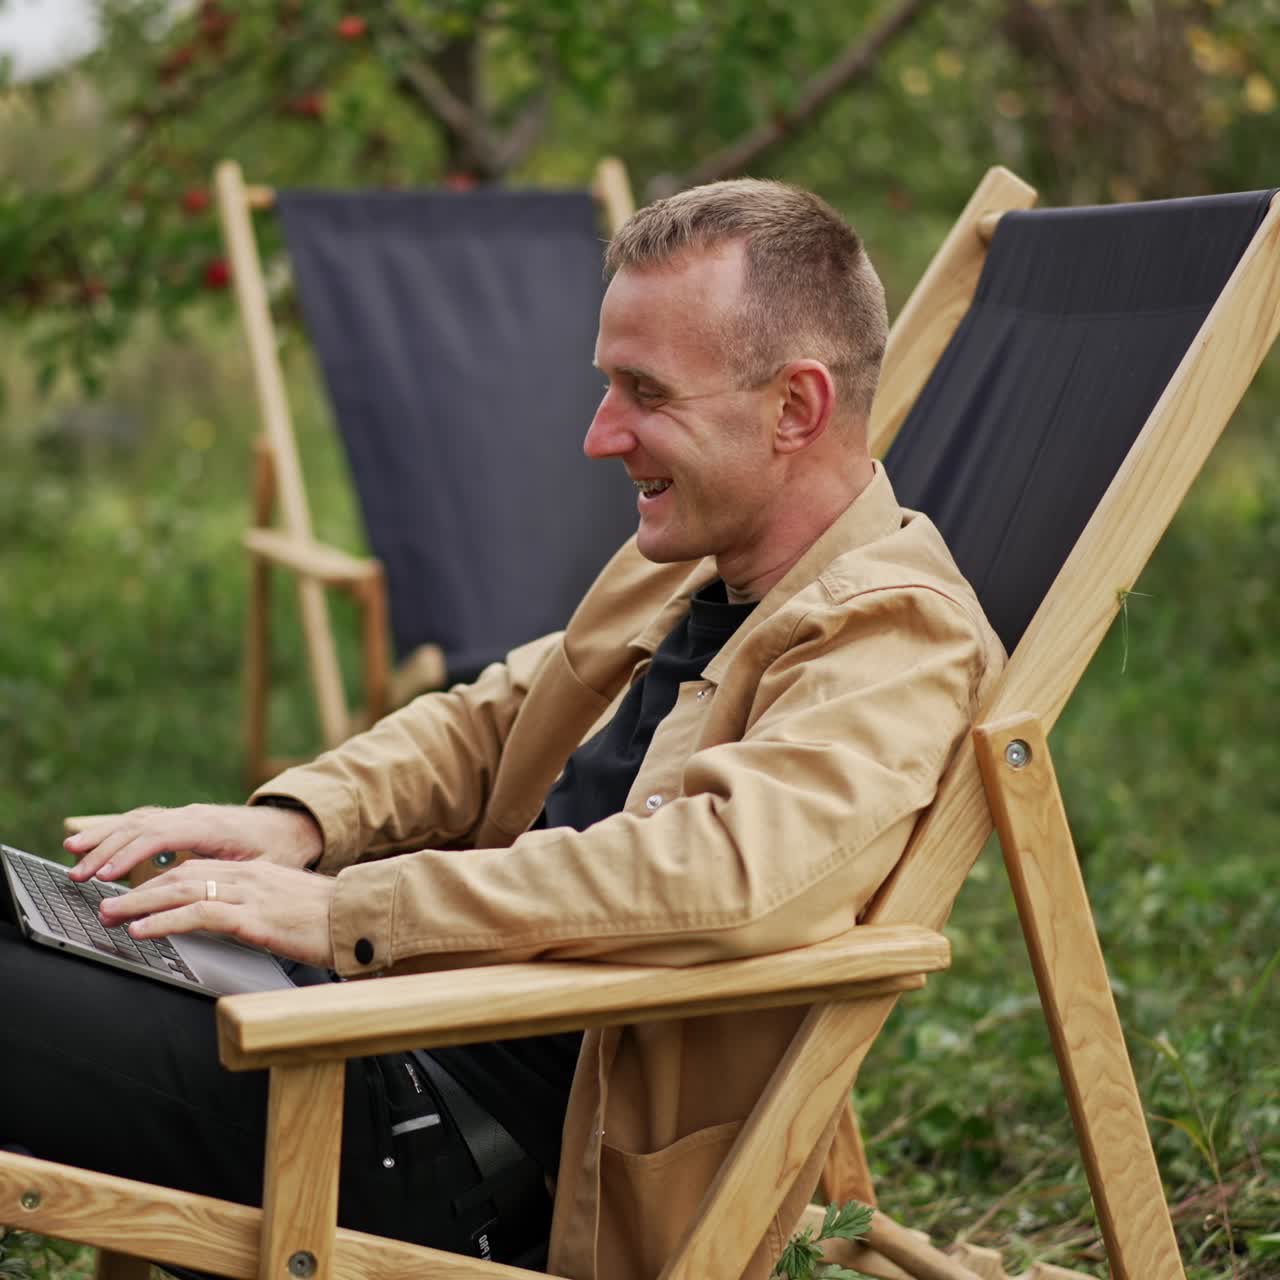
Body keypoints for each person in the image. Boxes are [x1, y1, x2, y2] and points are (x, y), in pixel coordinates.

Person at [0, 179, 1004, 1280]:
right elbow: (487, 719)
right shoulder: (690, 562)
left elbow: (727, 868)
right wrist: (299, 820)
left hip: (438, 1141)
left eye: (643, 391)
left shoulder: (894, 631)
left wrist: (353, 909)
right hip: (365, 1028)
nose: (598, 434)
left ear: (795, 409)